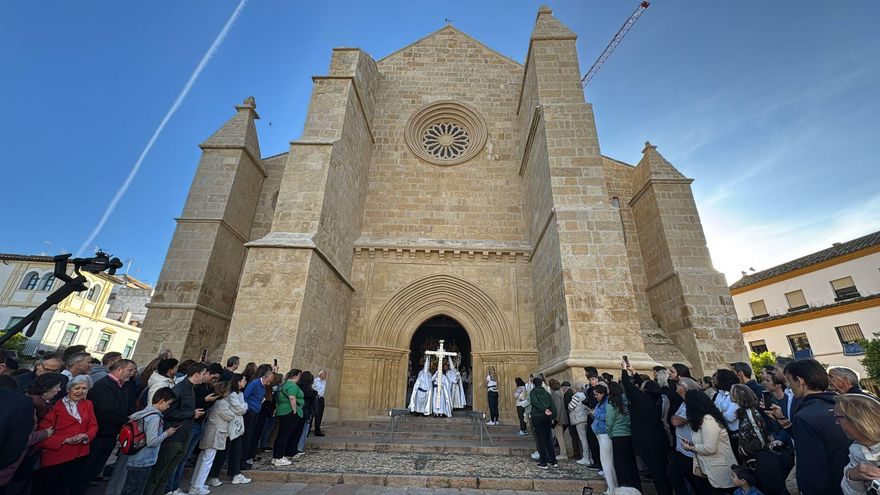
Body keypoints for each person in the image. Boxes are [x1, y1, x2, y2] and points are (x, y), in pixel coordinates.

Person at [784, 359, 851, 495]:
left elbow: (812, 469)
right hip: (852, 484)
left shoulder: (804, 416)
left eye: (790, 381)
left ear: (800, 381)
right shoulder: (845, 405)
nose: (789, 386)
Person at [143, 363, 208, 495]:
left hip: (184, 434)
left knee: (168, 472)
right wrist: (191, 414)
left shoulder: (191, 388)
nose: (204, 377)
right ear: (196, 374)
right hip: (173, 436)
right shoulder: (180, 389)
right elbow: (168, 412)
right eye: (203, 374)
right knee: (160, 471)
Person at [34, 375, 98, 495]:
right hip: (57, 455)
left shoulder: (88, 404)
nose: (80, 391)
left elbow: (93, 426)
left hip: (80, 454)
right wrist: (65, 440)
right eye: (76, 388)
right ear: (69, 389)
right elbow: (42, 434)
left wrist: (85, 436)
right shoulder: (54, 406)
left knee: (66, 488)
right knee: (47, 489)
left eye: (84, 388)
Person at [81, 359, 137, 492]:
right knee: (87, 468)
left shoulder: (122, 386)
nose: (132, 374)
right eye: (130, 370)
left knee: (95, 467)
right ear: (119, 370)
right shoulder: (104, 385)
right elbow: (107, 410)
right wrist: (125, 421)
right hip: (99, 434)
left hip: (109, 434)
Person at [620, 365, 672, 495]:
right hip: (660, 439)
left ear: (645, 390)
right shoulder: (657, 398)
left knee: (657, 473)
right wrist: (634, 371)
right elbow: (645, 385)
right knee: (662, 470)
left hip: (647, 442)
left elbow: (627, 384)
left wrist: (624, 369)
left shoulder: (641, 400)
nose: (640, 386)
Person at [121, 387, 178, 495]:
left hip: (134, 457)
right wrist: (166, 433)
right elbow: (152, 441)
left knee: (129, 488)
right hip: (144, 460)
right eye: (168, 404)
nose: (168, 407)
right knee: (136, 490)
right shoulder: (155, 418)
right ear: (161, 401)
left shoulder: (143, 413)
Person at [679, 390, 737, 494]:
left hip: (719, 471)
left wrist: (691, 448)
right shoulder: (703, 419)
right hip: (711, 469)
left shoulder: (708, 420)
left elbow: (710, 448)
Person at [189, 381, 234, 495]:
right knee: (207, 460)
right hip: (215, 435)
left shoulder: (215, 402)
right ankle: (197, 486)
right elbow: (230, 415)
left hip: (210, 433)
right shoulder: (222, 403)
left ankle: (195, 483)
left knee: (203, 459)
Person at [206, 374, 250, 487]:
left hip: (236, 426)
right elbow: (240, 409)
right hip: (229, 425)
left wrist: (243, 406)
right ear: (238, 381)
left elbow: (242, 407)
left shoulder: (240, 394)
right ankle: (214, 475)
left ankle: (235, 473)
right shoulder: (232, 394)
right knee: (224, 451)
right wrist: (244, 406)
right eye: (243, 380)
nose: (245, 382)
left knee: (235, 450)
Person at [835, 393, 880, 495]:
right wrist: (852, 475)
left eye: (838, 418)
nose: (837, 423)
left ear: (857, 421)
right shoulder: (857, 450)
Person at [607, 381, 641, 492]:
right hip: (629, 434)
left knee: (621, 465)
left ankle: (624, 489)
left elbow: (610, 420)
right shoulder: (627, 400)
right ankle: (636, 489)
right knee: (631, 464)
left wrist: (610, 432)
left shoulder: (611, 402)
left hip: (618, 434)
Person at [240, 364, 273, 470]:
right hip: (249, 412)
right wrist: (246, 408)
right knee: (247, 436)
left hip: (256, 412)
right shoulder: (254, 384)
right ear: (264, 376)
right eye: (268, 381)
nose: (269, 384)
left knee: (251, 435)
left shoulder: (263, 385)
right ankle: (243, 460)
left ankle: (247, 457)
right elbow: (245, 396)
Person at [272, 369, 304, 466]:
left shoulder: (285, 384)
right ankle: (278, 457)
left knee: (282, 434)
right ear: (297, 375)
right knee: (284, 435)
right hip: (289, 411)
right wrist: (294, 410)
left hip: (283, 411)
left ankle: (276, 456)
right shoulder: (292, 385)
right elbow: (292, 397)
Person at [729, 384, 768, 463]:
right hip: (749, 459)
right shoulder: (743, 413)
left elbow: (760, 440)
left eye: (731, 391)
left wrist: (743, 451)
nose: (729, 393)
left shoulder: (750, 414)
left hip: (755, 459)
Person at [591, 383, 617, 490]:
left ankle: (612, 487)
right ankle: (611, 486)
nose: (595, 396)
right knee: (605, 461)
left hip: (605, 433)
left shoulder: (607, 402)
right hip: (600, 433)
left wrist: (594, 414)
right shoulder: (601, 403)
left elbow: (608, 416)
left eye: (597, 394)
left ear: (603, 394)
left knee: (607, 462)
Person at [529, 376, 557, 469]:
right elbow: (553, 405)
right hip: (547, 417)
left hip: (537, 417)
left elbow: (535, 402)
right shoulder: (547, 393)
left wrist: (543, 409)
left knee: (541, 440)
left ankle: (543, 462)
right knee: (549, 439)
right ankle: (553, 461)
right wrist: (553, 416)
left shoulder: (533, 392)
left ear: (534, 384)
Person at [714, 369, 741, 459]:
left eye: (716, 378)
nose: (714, 381)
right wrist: (721, 412)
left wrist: (720, 413)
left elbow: (730, 416)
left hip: (736, 435)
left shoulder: (734, 393)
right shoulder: (719, 395)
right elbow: (713, 411)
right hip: (723, 433)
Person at [568, 384, 594, 466]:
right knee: (587, 439)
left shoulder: (576, 396)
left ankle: (585, 457)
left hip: (579, 419)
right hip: (585, 418)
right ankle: (590, 457)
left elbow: (570, 407)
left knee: (583, 439)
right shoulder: (584, 396)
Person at [295, 371, 317, 455]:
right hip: (305, 411)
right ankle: (299, 447)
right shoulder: (306, 388)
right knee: (303, 430)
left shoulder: (298, 386)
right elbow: (309, 395)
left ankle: (296, 447)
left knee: (300, 430)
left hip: (302, 410)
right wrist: (315, 393)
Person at [548, 379, 571, 460]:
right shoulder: (559, 393)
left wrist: (555, 419)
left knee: (559, 436)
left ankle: (563, 454)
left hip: (559, 419)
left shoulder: (556, 394)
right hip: (561, 418)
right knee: (560, 436)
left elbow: (557, 408)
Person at [313, 370, 327, 436]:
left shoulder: (324, 382)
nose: (325, 376)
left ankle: (317, 430)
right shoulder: (315, 381)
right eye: (324, 374)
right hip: (315, 398)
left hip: (321, 399)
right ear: (320, 374)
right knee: (312, 414)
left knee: (319, 415)